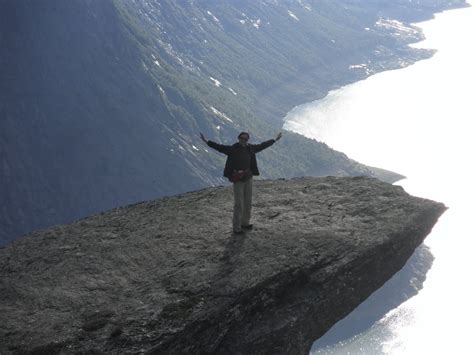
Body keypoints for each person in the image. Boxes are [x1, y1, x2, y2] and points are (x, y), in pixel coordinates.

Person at [200, 131, 282, 234]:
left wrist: (274, 140)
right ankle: (236, 227)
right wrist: (207, 141)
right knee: (239, 203)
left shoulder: (250, 148)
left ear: (248, 140)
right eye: (242, 138)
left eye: (245, 139)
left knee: (247, 202)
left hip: (248, 177)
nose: (243, 140)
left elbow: (262, 146)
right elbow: (219, 147)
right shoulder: (233, 149)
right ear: (238, 138)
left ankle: (245, 223)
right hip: (238, 179)